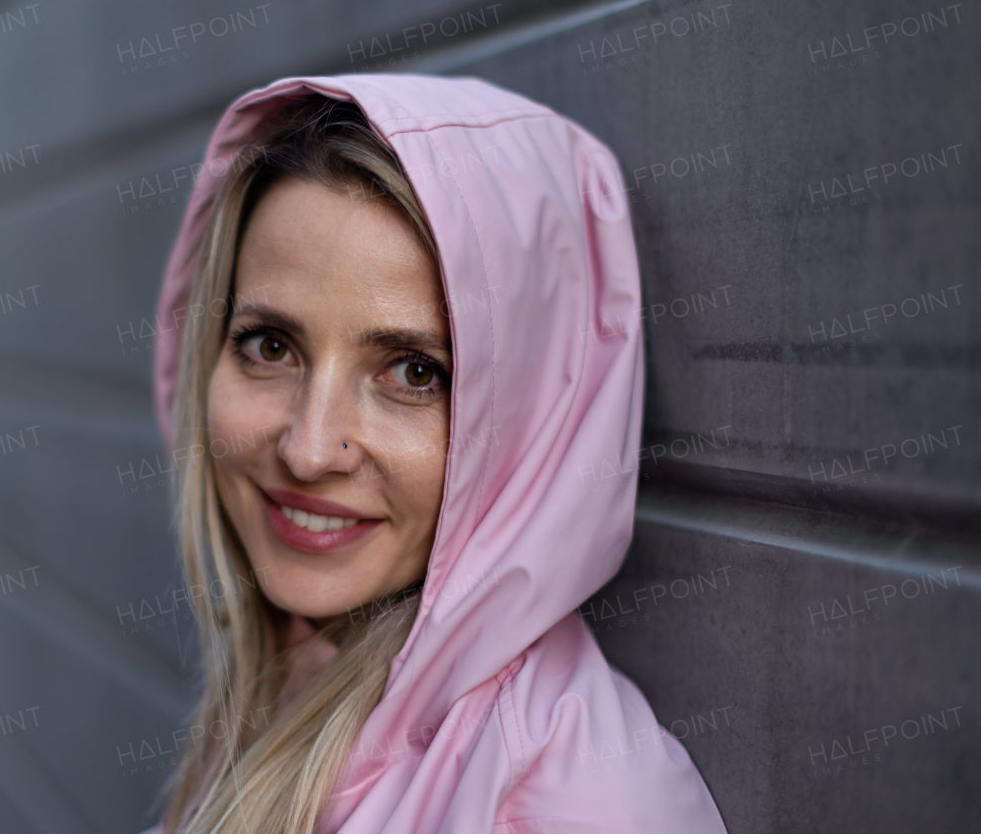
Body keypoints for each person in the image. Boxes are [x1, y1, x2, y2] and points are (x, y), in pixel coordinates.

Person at [143, 73, 726, 833]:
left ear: (530, 419)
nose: (311, 449)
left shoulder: (574, 802)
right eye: (270, 345)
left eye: (414, 371)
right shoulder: (285, 688)